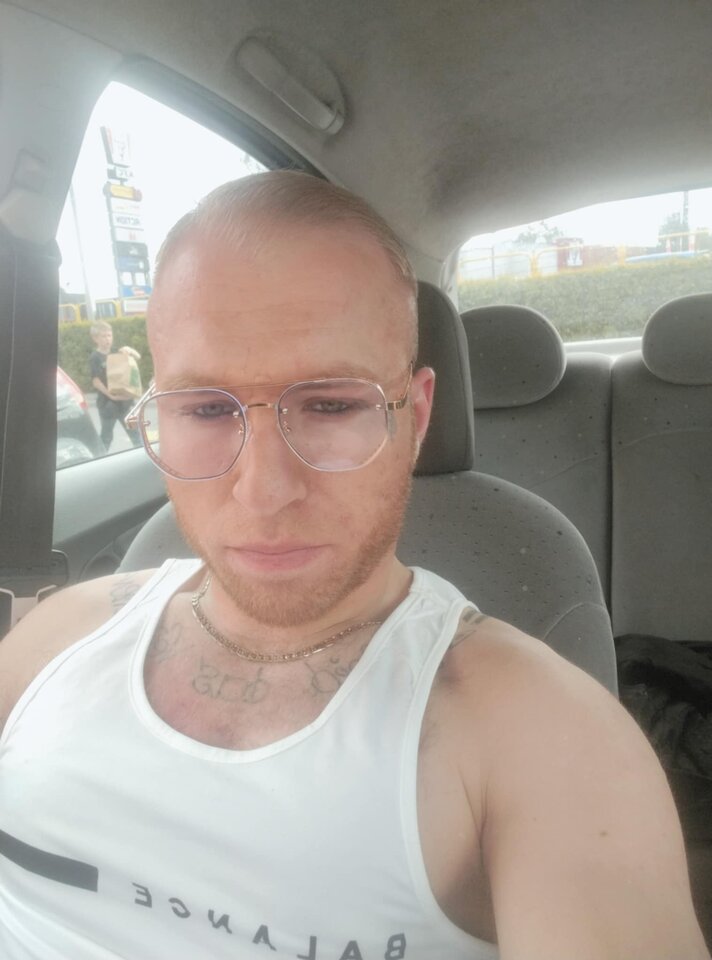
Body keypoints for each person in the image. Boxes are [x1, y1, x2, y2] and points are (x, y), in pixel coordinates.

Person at [0, 172, 708, 960]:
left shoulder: (539, 734)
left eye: (331, 404)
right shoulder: (61, 634)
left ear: (417, 416)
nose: (264, 490)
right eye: (205, 409)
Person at [88, 319, 142, 451]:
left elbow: (137, 358)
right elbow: (96, 381)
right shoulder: (95, 357)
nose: (107, 339)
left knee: (136, 436)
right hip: (108, 405)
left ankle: (144, 458)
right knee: (106, 438)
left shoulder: (117, 351)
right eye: (103, 336)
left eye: (109, 335)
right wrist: (111, 395)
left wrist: (130, 350)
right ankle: (100, 460)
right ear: (95, 338)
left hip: (126, 404)